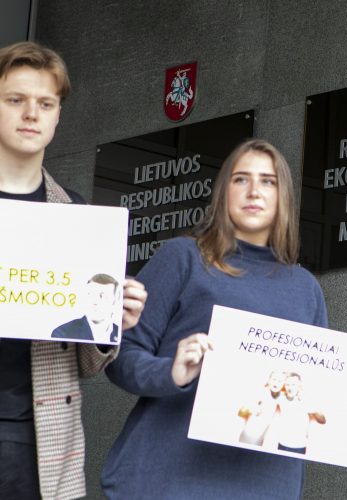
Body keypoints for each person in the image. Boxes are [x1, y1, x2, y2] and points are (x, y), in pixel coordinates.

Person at [100, 139, 330, 500]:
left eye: (268, 181)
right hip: (167, 481)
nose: (254, 190)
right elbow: (119, 355)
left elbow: (317, 391)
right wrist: (171, 373)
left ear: (284, 195)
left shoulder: (305, 288)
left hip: (265, 485)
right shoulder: (184, 258)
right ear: (223, 191)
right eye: (241, 179)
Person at [0, 41, 147, 500]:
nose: (31, 114)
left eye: (45, 104)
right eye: (15, 100)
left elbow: (84, 362)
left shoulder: (77, 216)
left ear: (58, 117)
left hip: (41, 438)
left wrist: (111, 324)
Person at [52, 273, 120, 343]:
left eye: (102, 296)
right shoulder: (63, 334)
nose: (95, 302)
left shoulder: (121, 334)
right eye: (90, 294)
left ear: (115, 300)